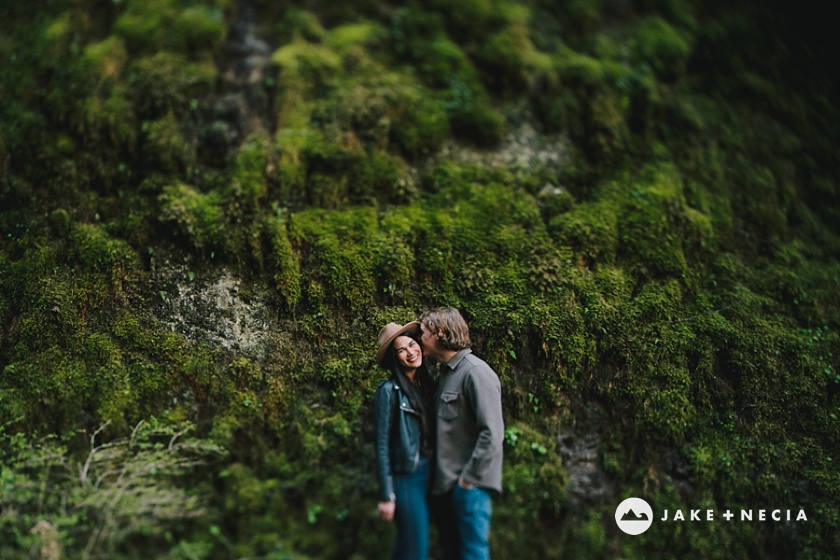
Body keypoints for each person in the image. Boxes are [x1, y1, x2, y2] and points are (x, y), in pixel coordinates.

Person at [419, 307, 504, 560]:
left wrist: (468, 480)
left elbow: (492, 432)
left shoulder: (476, 373)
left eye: (423, 332)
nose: (418, 338)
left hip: (470, 487)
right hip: (447, 485)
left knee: (473, 553)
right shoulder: (446, 373)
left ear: (439, 333)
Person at [374, 321, 436, 560]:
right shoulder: (389, 391)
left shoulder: (428, 386)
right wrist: (386, 494)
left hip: (430, 474)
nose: (410, 352)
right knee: (416, 550)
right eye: (401, 350)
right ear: (395, 359)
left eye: (412, 344)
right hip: (406, 478)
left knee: (406, 547)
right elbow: (381, 445)